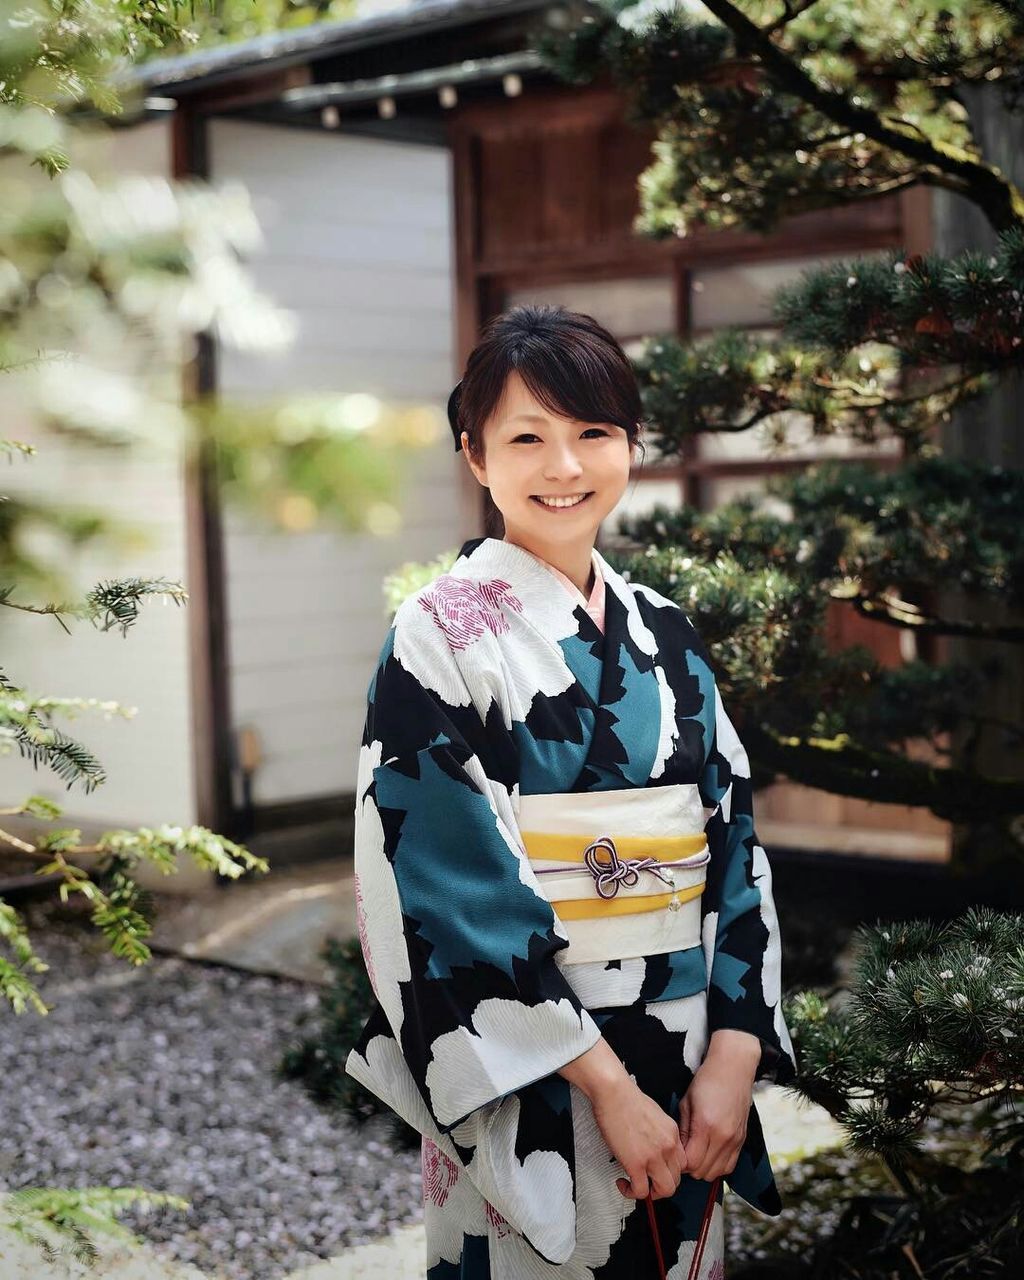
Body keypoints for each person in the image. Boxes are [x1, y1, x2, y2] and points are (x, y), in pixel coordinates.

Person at [346, 305, 797, 1279]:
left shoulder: (666, 632)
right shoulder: (434, 635)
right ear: (474, 454)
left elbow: (733, 847)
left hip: (685, 1055)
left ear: (631, 443)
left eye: (592, 432)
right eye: (526, 436)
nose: (564, 466)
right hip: (538, 1074)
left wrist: (731, 1053)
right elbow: (436, 882)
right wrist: (603, 1084)